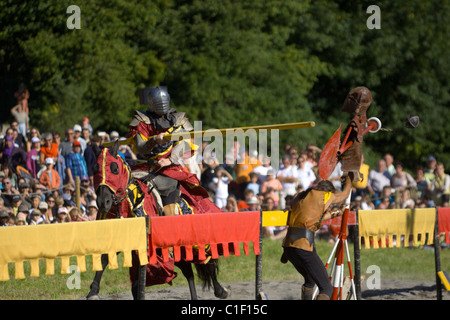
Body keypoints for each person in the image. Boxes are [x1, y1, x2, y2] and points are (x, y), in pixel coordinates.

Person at [126, 86, 219, 216]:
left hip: (168, 169)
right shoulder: (142, 120)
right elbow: (141, 147)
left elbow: (185, 143)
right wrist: (154, 141)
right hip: (145, 165)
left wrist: (170, 160)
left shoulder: (177, 119)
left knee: (170, 210)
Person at [281, 172, 353, 300]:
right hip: (303, 246)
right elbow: (344, 195)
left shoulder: (301, 196)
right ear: (328, 192)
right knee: (327, 288)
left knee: (310, 280)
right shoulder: (324, 196)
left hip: (289, 248)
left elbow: (314, 218)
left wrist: (337, 212)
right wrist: (349, 180)